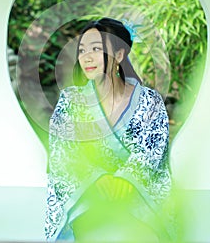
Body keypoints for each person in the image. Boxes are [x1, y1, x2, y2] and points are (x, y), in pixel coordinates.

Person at [45, 17, 173, 242]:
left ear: (120, 56)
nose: (87, 57)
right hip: (88, 193)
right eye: (82, 50)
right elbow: (63, 151)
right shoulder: (70, 100)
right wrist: (96, 179)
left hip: (137, 193)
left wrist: (125, 180)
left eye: (96, 48)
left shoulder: (150, 101)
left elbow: (152, 150)